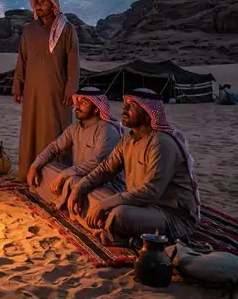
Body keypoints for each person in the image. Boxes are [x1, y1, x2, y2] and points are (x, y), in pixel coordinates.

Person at [66, 88, 201, 245]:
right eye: (125, 104)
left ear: (148, 112)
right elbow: (105, 169)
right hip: (139, 205)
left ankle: (118, 233)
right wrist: (79, 188)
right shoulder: (128, 139)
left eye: (132, 105)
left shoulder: (161, 143)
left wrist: (105, 205)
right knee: (85, 192)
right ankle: (115, 230)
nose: (124, 109)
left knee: (119, 214)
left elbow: (150, 192)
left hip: (170, 214)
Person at [13, 0, 80, 182]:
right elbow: (22, 60)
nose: (39, 6)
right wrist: (18, 85)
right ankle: (28, 173)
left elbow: (73, 62)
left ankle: (54, 178)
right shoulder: (29, 30)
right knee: (31, 130)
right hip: (32, 90)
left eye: (43, 2)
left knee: (55, 130)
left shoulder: (66, 29)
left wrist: (71, 89)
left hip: (57, 91)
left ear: (54, 5)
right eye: (37, 2)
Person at [26, 87, 123, 199]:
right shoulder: (75, 128)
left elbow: (98, 162)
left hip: (104, 184)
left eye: (83, 102)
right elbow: (55, 147)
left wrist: (65, 174)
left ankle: (63, 202)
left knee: (72, 181)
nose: (77, 106)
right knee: (45, 167)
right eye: (77, 101)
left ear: (96, 109)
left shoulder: (107, 130)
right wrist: (34, 166)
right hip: (78, 176)